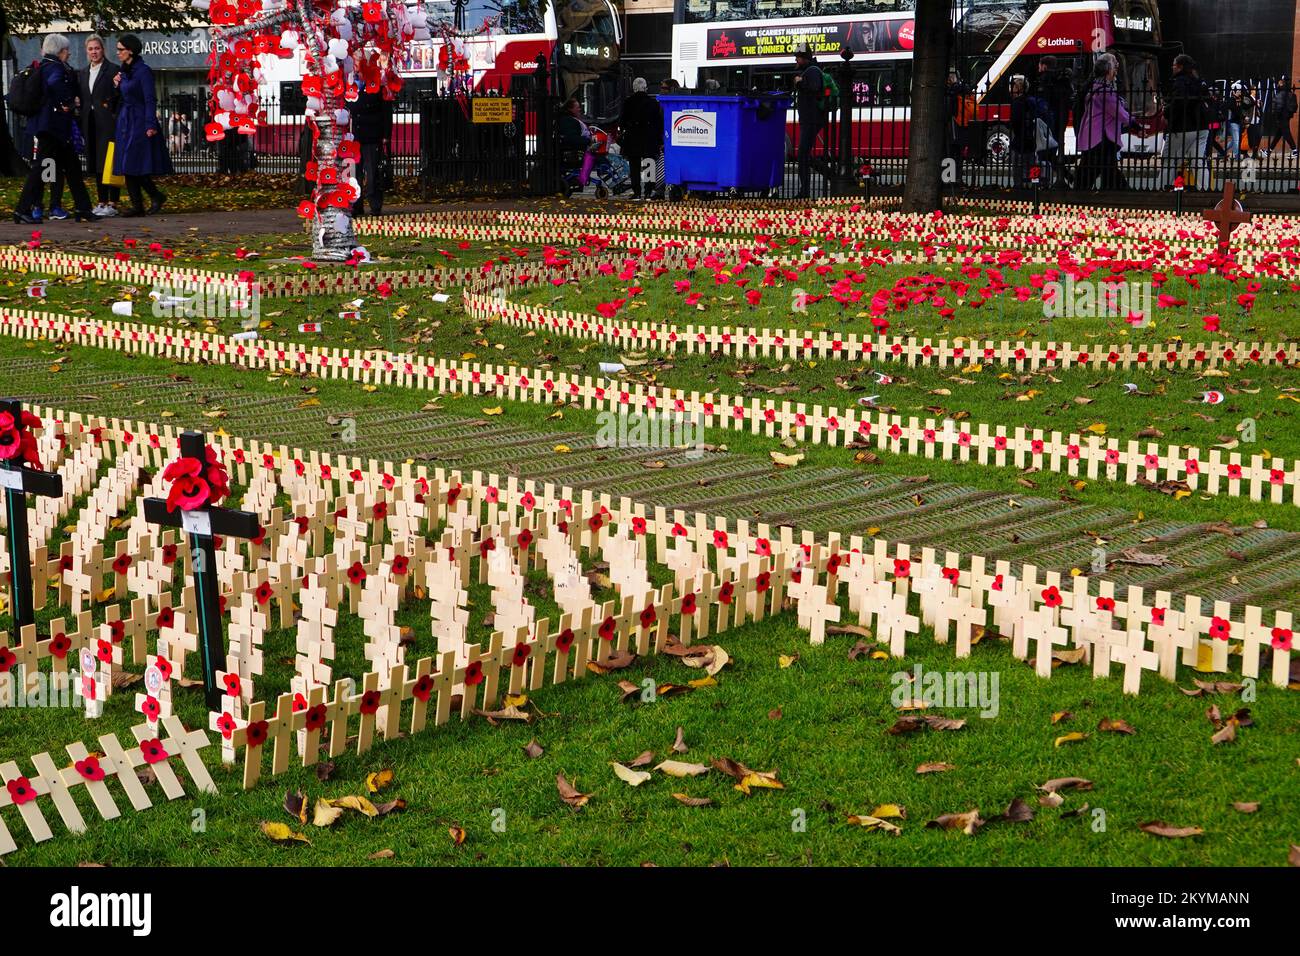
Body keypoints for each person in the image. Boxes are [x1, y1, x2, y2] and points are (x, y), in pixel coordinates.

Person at [12, 34, 97, 223]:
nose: (68, 53)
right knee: (41, 169)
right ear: (60, 51)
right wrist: (66, 100)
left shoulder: (43, 66)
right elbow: (55, 83)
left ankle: (82, 207)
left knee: (71, 167)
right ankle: (23, 209)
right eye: (66, 50)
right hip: (53, 127)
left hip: (49, 127)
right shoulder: (55, 67)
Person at [111, 34, 172, 217]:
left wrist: (150, 123)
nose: (118, 53)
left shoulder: (143, 71)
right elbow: (121, 97)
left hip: (138, 121)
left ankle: (151, 198)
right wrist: (116, 85)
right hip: (126, 121)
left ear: (130, 50)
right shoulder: (123, 72)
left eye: (121, 49)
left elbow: (149, 99)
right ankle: (141, 203)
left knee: (133, 162)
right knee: (126, 164)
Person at [77, 34, 120, 217]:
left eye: (97, 48)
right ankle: (101, 201)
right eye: (90, 49)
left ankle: (113, 202)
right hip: (90, 123)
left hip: (108, 123)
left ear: (103, 49)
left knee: (110, 161)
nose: (94, 52)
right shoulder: (83, 73)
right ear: (86, 51)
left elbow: (118, 97)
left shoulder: (113, 70)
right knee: (95, 163)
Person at [1075, 54, 1130, 191]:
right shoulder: (1104, 91)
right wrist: (1134, 124)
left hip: (1093, 136)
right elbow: (1118, 112)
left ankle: (1080, 194)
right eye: (1115, 67)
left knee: (1096, 169)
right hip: (1101, 137)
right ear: (1108, 70)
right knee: (1100, 169)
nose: (1116, 71)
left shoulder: (1094, 86)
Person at [1158, 54, 1209, 190]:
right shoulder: (1198, 81)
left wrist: (1166, 112)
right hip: (1202, 126)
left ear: (1180, 67)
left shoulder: (1180, 82)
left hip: (1183, 127)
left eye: (1174, 65)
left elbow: (1178, 103)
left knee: (1170, 160)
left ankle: (1163, 189)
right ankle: (1203, 189)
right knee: (1198, 161)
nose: (1172, 67)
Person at [793, 47, 832, 199]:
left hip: (812, 119)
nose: (796, 60)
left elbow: (814, 88)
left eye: (798, 57)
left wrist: (799, 83)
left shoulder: (813, 71)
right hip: (809, 119)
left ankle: (805, 191)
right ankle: (806, 188)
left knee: (802, 154)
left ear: (805, 58)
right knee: (803, 154)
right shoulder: (809, 71)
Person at [350, 85, 393, 217]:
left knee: (372, 173)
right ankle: (356, 205)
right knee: (355, 174)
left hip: (372, 137)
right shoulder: (353, 86)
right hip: (356, 137)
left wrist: (386, 135)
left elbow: (386, 112)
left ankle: (375, 206)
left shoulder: (378, 87)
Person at [618, 77, 663, 200]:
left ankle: (636, 192)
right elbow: (658, 123)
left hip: (633, 137)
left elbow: (622, 122)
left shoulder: (628, 102)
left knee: (634, 166)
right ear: (645, 88)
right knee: (649, 164)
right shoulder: (653, 103)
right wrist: (659, 140)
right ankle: (648, 191)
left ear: (634, 88)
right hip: (649, 138)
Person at [1030, 55, 1072, 185]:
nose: (1038, 68)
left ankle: (1037, 182)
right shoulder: (1062, 80)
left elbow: (1041, 102)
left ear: (1044, 66)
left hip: (1045, 122)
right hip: (1060, 121)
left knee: (1038, 154)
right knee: (1051, 153)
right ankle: (1065, 177)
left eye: (1039, 65)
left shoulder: (1044, 80)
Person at [1264, 74, 1298, 157]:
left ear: (1282, 83)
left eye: (1280, 83)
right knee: (1279, 134)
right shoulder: (1290, 93)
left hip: (1282, 116)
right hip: (1287, 115)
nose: (1278, 84)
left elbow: (1278, 106)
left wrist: (1276, 115)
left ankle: (1294, 150)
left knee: (1286, 133)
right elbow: (1295, 106)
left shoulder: (1281, 93)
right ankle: (1269, 150)